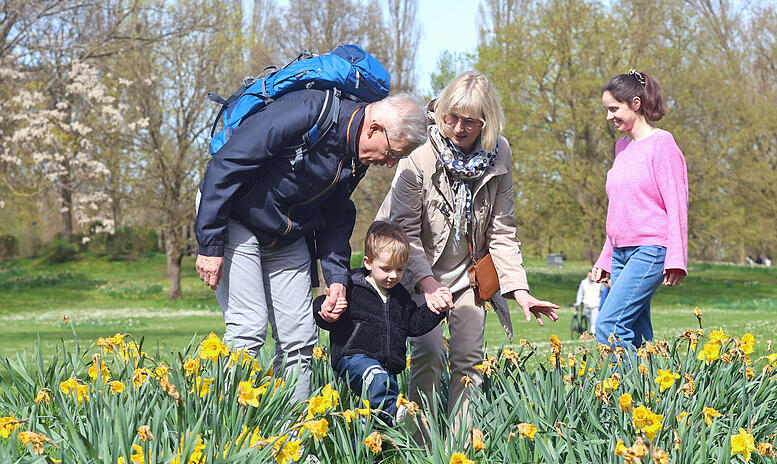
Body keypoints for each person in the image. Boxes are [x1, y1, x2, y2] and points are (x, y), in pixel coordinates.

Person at [195, 90, 428, 407]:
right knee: (248, 328)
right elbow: (225, 165)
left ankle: (293, 442)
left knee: (301, 338)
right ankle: (230, 434)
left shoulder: (356, 159)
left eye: (396, 160)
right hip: (235, 218)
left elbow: (335, 215)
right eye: (391, 154)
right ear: (374, 128)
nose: (389, 165)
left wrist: (336, 279)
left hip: (287, 232)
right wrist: (210, 242)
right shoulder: (306, 113)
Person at [378, 71, 559, 436]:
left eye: (470, 122)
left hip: (468, 274)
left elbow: (503, 230)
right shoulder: (418, 153)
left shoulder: (500, 153)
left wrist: (518, 290)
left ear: (485, 123)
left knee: (468, 360)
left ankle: (462, 449)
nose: (458, 128)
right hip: (416, 270)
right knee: (428, 353)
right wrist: (427, 284)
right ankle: (419, 444)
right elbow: (404, 232)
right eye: (451, 117)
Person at [312, 221, 448, 426]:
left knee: (373, 421)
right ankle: (396, 413)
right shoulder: (352, 286)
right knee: (376, 381)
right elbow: (324, 307)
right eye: (386, 269)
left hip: (388, 367)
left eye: (400, 269)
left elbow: (413, 325)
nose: (393, 275)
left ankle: (361, 454)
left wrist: (436, 309)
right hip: (354, 358)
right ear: (368, 262)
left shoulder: (400, 296)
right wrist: (325, 310)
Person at [591, 69, 688, 349]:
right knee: (637, 333)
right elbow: (619, 210)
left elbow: (677, 203)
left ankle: (623, 392)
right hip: (621, 254)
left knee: (609, 326)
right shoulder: (622, 148)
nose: (609, 116)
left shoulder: (662, 144)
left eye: (613, 109)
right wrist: (605, 259)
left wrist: (676, 258)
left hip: (651, 250)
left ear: (635, 103)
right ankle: (652, 391)